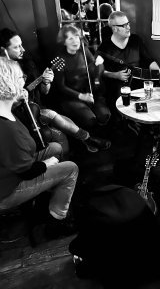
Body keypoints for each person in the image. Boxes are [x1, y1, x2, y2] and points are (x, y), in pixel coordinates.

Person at [0, 57, 78, 236]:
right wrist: (46, 164)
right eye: (21, 77)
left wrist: (18, 100)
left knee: (56, 148)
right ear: (8, 84)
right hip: (8, 189)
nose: (24, 80)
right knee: (71, 169)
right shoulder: (6, 130)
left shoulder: (5, 109)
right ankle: (57, 221)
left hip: (13, 169)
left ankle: (55, 190)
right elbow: (25, 172)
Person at [0, 27, 108, 154]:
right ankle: (88, 139)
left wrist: (46, 81)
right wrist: (15, 98)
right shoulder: (3, 72)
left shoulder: (27, 62)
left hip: (34, 108)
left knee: (60, 117)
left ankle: (87, 139)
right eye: (17, 47)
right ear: (3, 50)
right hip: (16, 115)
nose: (23, 49)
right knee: (53, 115)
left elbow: (44, 91)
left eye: (21, 45)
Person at [53, 24, 111, 143]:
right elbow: (61, 86)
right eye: (70, 38)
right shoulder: (59, 59)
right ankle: (87, 141)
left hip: (88, 92)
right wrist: (81, 96)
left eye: (76, 36)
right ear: (64, 42)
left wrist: (99, 64)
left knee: (104, 115)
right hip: (71, 98)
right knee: (90, 120)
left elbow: (96, 69)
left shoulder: (84, 50)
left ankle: (97, 138)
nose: (75, 40)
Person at [96, 10, 160, 107]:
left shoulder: (136, 40)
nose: (128, 27)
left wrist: (158, 72)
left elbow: (149, 60)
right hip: (117, 91)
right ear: (114, 29)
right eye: (124, 25)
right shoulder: (104, 48)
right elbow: (97, 72)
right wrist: (115, 75)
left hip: (139, 87)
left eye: (128, 23)